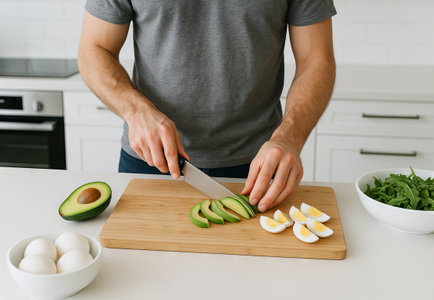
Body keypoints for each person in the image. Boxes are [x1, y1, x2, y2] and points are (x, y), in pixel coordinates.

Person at [78, 1, 337, 213]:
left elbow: (316, 60)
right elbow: (94, 49)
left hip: (260, 165)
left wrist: (289, 138)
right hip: (151, 160)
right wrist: (136, 111)